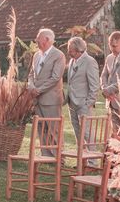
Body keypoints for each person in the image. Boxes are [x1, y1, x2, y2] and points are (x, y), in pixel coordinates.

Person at [27, 28, 65, 157]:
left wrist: (39, 89)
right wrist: (31, 86)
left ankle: (58, 157)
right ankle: (46, 155)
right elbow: (31, 74)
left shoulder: (58, 55)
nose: (36, 41)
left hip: (51, 99)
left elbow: (55, 77)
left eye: (38, 39)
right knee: (41, 128)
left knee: (54, 128)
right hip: (37, 98)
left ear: (47, 40)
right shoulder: (37, 55)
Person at [66, 37, 99, 146]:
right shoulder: (72, 61)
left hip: (83, 104)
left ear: (79, 50)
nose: (69, 53)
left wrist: (87, 104)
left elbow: (94, 86)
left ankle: (92, 162)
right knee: (77, 133)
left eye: (71, 51)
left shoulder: (90, 62)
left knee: (87, 133)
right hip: (71, 103)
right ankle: (82, 160)